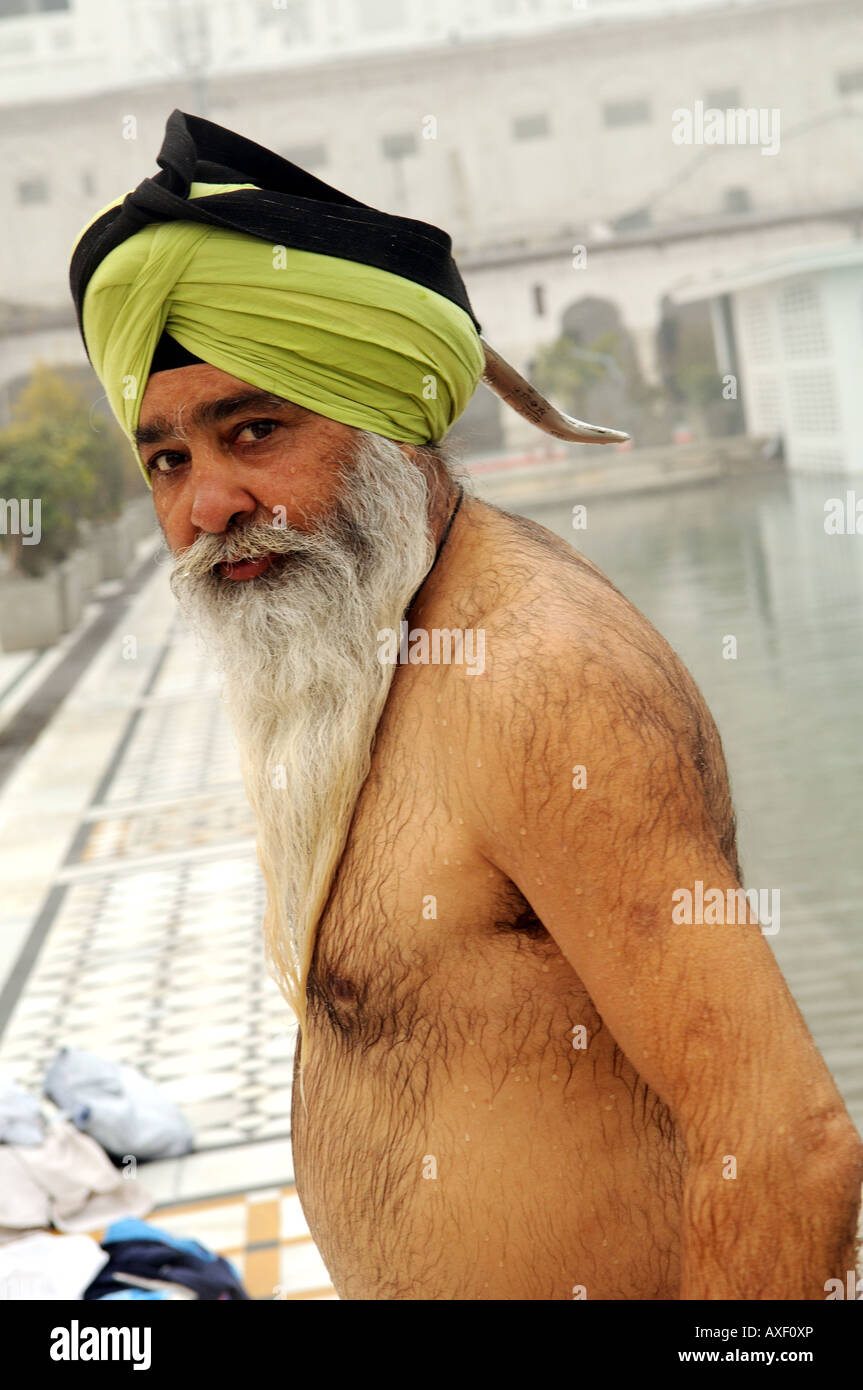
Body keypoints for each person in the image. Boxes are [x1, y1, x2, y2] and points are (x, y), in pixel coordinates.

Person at [70, 111, 862, 1301]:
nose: (209, 504)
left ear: (392, 416)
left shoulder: (540, 679)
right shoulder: (352, 639)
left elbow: (788, 1148)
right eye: (169, 460)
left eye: (255, 431)